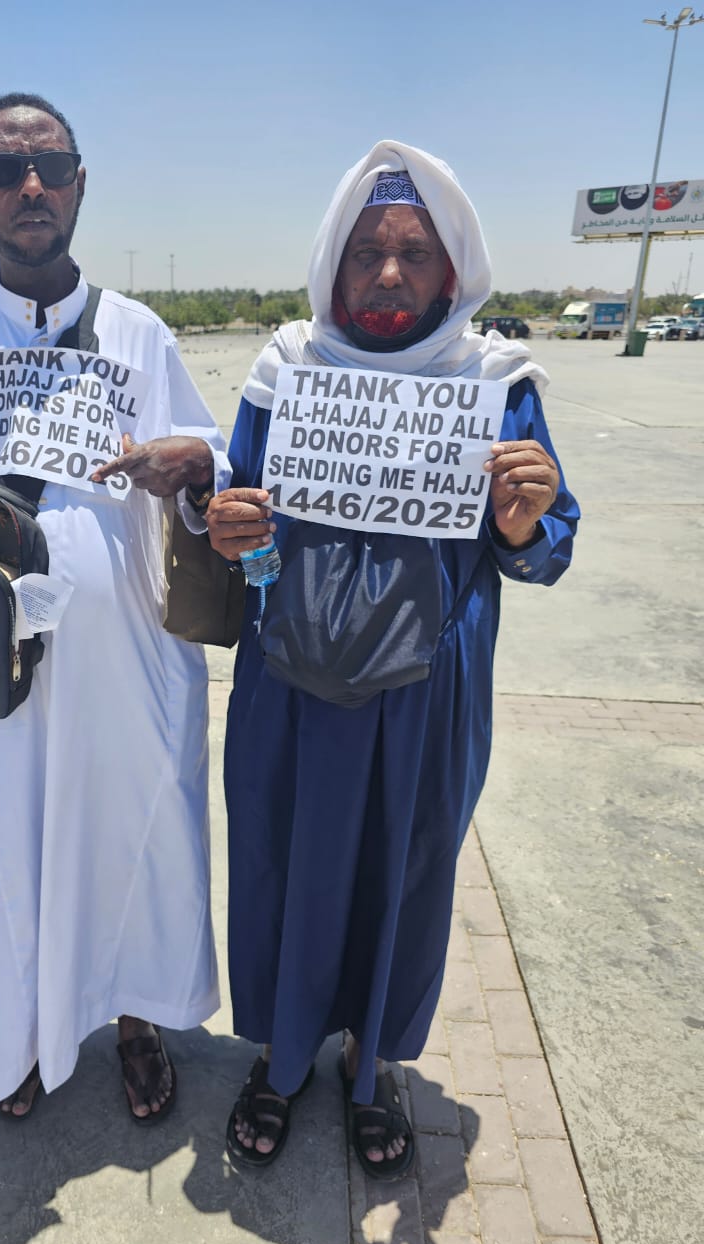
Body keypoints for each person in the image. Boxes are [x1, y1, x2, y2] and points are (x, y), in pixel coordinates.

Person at [0, 92, 228, 1122]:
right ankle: (13, 1041)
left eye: (51, 167)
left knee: (134, 834)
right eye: (5, 170)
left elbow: (213, 454)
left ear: (78, 185)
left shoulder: (139, 334)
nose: (30, 187)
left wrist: (191, 462)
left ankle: (138, 1019)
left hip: (126, 660)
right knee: (3, 848)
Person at [206, 141, 579, 1177]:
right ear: (332, 262)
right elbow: (246, 521)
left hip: (427, 695)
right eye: (366, 250)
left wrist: (522, 522)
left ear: (451, 270)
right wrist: (232, 535)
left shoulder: (496, 383)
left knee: (403, 875)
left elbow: (547, 546)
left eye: (414, 253)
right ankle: (279, 1059)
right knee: (282, 863)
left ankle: (372, 1069)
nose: (386, 273)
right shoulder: (285, 371)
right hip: (291, 681)